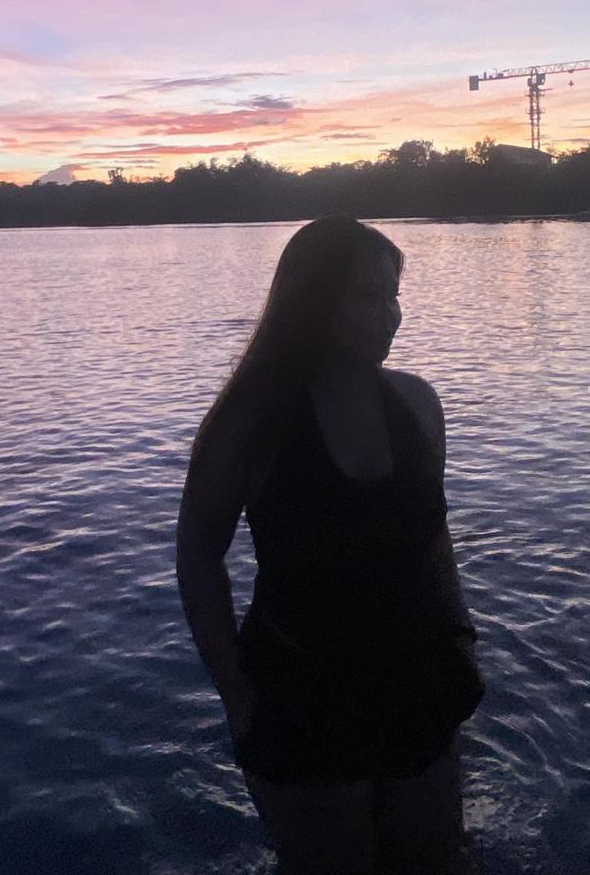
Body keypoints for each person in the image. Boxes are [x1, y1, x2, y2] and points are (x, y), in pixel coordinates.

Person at [176, 214, 485, 874]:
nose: (390, 315)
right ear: (313, 303)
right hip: (298, 689)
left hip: (415, 679)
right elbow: (199, 555)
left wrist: (460, 638)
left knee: (437, 861)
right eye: (367, 297)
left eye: (393, 294)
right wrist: (237, 696)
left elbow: (432, 536)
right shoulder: (250, 422)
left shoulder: (418, 406)